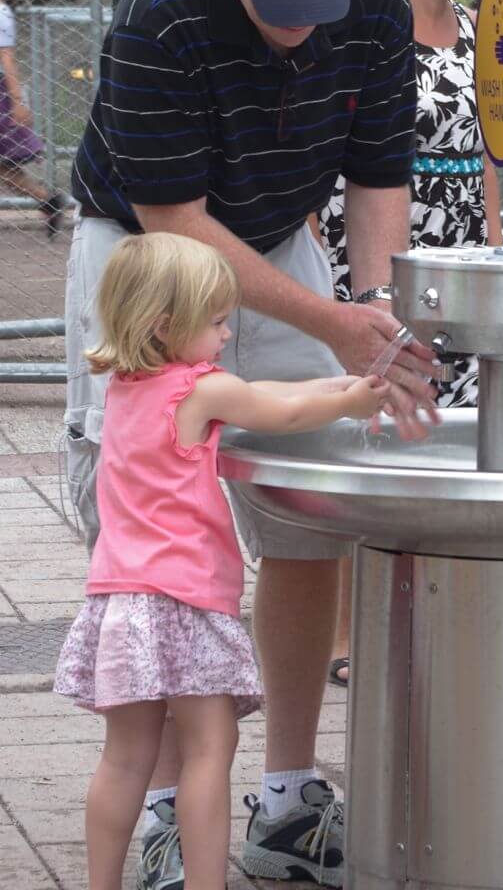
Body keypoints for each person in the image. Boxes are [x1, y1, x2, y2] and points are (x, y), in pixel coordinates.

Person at [65, 0, 438, 890]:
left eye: (311, 8)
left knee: (308, 504)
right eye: (278, 4)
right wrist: (334, 326)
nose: (297, 31)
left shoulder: (369, 5)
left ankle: (285, 797)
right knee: (139, 510)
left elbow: (376, 176)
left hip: (277, 235)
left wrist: (375, 312)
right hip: (145, 245)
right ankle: (155, 805)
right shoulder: (163, 18)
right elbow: (174, 222)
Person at [54, 233, 391, 890]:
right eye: (214, 322)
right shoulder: (198, 390)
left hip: (120, 604)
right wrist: (353, 401)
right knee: (211, 750)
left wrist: (339, 381)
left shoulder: (123, 388)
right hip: (185, 605)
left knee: (124, 759)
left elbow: (266, 389)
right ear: (164, 324)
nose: (226, 331)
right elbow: (281, 406)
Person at [317, 0, 503, 687]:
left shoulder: (476, 27)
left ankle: (438, 611)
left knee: (443, 426)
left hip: (458, 250)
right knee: (366, 430)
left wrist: (495, 243)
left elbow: (497, 143)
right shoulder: (361, 20)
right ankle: (345, 634)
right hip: (375, 249)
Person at [0, 0, 63, 236]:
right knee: (4, 169)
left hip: (2, 92)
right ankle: (48, 201)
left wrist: (17, 101)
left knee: (4, 168)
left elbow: (7, 58)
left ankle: (49, 201)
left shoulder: (1, 13)